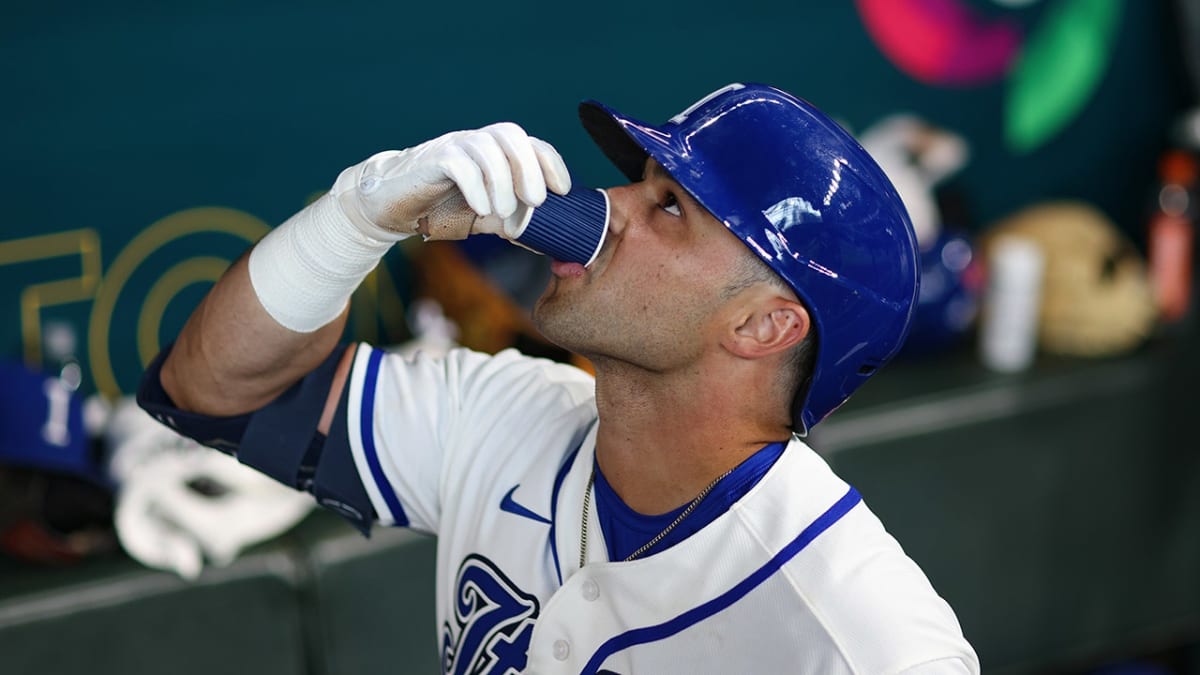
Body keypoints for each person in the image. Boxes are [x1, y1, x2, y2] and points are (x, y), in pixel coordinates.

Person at [138, 82, 980, 674]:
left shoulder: (867, 643)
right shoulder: (504, 413)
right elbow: (217, 388)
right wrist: (352, 222)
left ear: (763, 326)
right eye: (640, 183)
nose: (610, 205)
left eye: (669, 206)